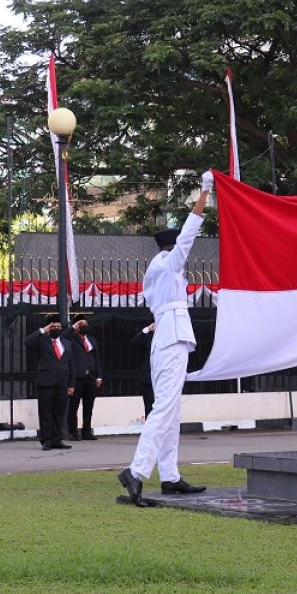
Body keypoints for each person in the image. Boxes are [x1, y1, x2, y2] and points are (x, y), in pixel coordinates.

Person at [118, 171, 213, 506]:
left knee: (170, 411)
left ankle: (169, 475)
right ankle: (136, 471)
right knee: (164, 409)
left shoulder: (158, 271)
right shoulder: (165, 264)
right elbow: (188, 237)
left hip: (168, 339)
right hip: (171, 339)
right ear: (170, 247)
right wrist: (204, 195)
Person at [25, 314, 74, 450]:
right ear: (49, 327)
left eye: (59, 327)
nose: (57, 329)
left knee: (60, 412)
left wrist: (71, 384)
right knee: (46, 412)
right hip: (46, 382)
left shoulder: (66, 343)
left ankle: (57, 439)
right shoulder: (42, 341)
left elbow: (71, 364)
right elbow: (28, 342)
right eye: (54, 326)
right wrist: (43, 330)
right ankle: (46, 440)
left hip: (62, 383)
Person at [63, 313, 102, 441]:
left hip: (90, 377)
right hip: (77, 377)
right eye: (81, 324)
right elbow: (63, 335)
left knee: (88, 405)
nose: (84, 326)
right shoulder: (71, 338)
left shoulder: (92, 340)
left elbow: (97, 359)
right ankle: (73, 432)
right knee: (73, 406)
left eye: (86, 324)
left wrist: (99, 376)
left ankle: (87, 431)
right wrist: (73, 327)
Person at [131, 323, 156, 420]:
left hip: (163, 378)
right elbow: (135, 341)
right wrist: (148, 329)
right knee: (149, 407)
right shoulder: (149, 337)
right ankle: (150, 431)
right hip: (148, 378)